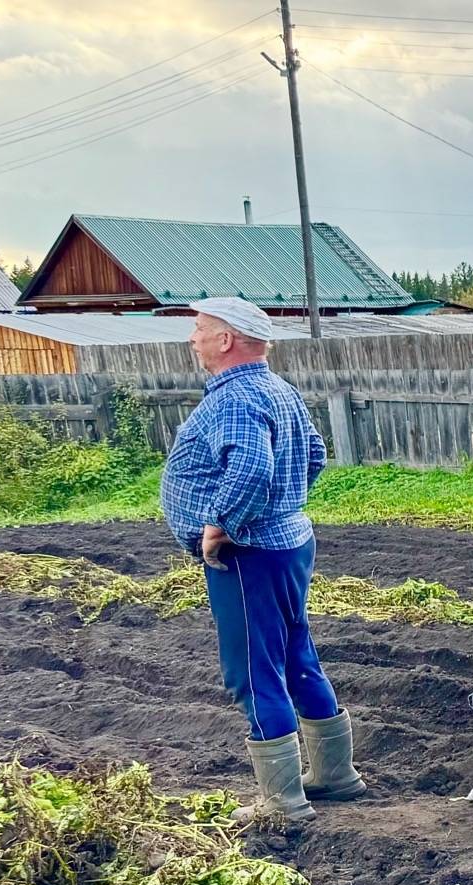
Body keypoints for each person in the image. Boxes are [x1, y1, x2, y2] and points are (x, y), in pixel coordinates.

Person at [158, 295, 365, 822]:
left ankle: (283, 803)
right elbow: (314, 454)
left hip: (247, 552)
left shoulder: (233, 399)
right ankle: (335, 776)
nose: (193, 337)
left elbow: (251, 467)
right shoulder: (277, 389)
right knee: (296, 654)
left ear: (225, 339)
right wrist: (283, 506)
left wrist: (220, 524)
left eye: (200, 328)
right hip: (289, 540)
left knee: (252, 670)